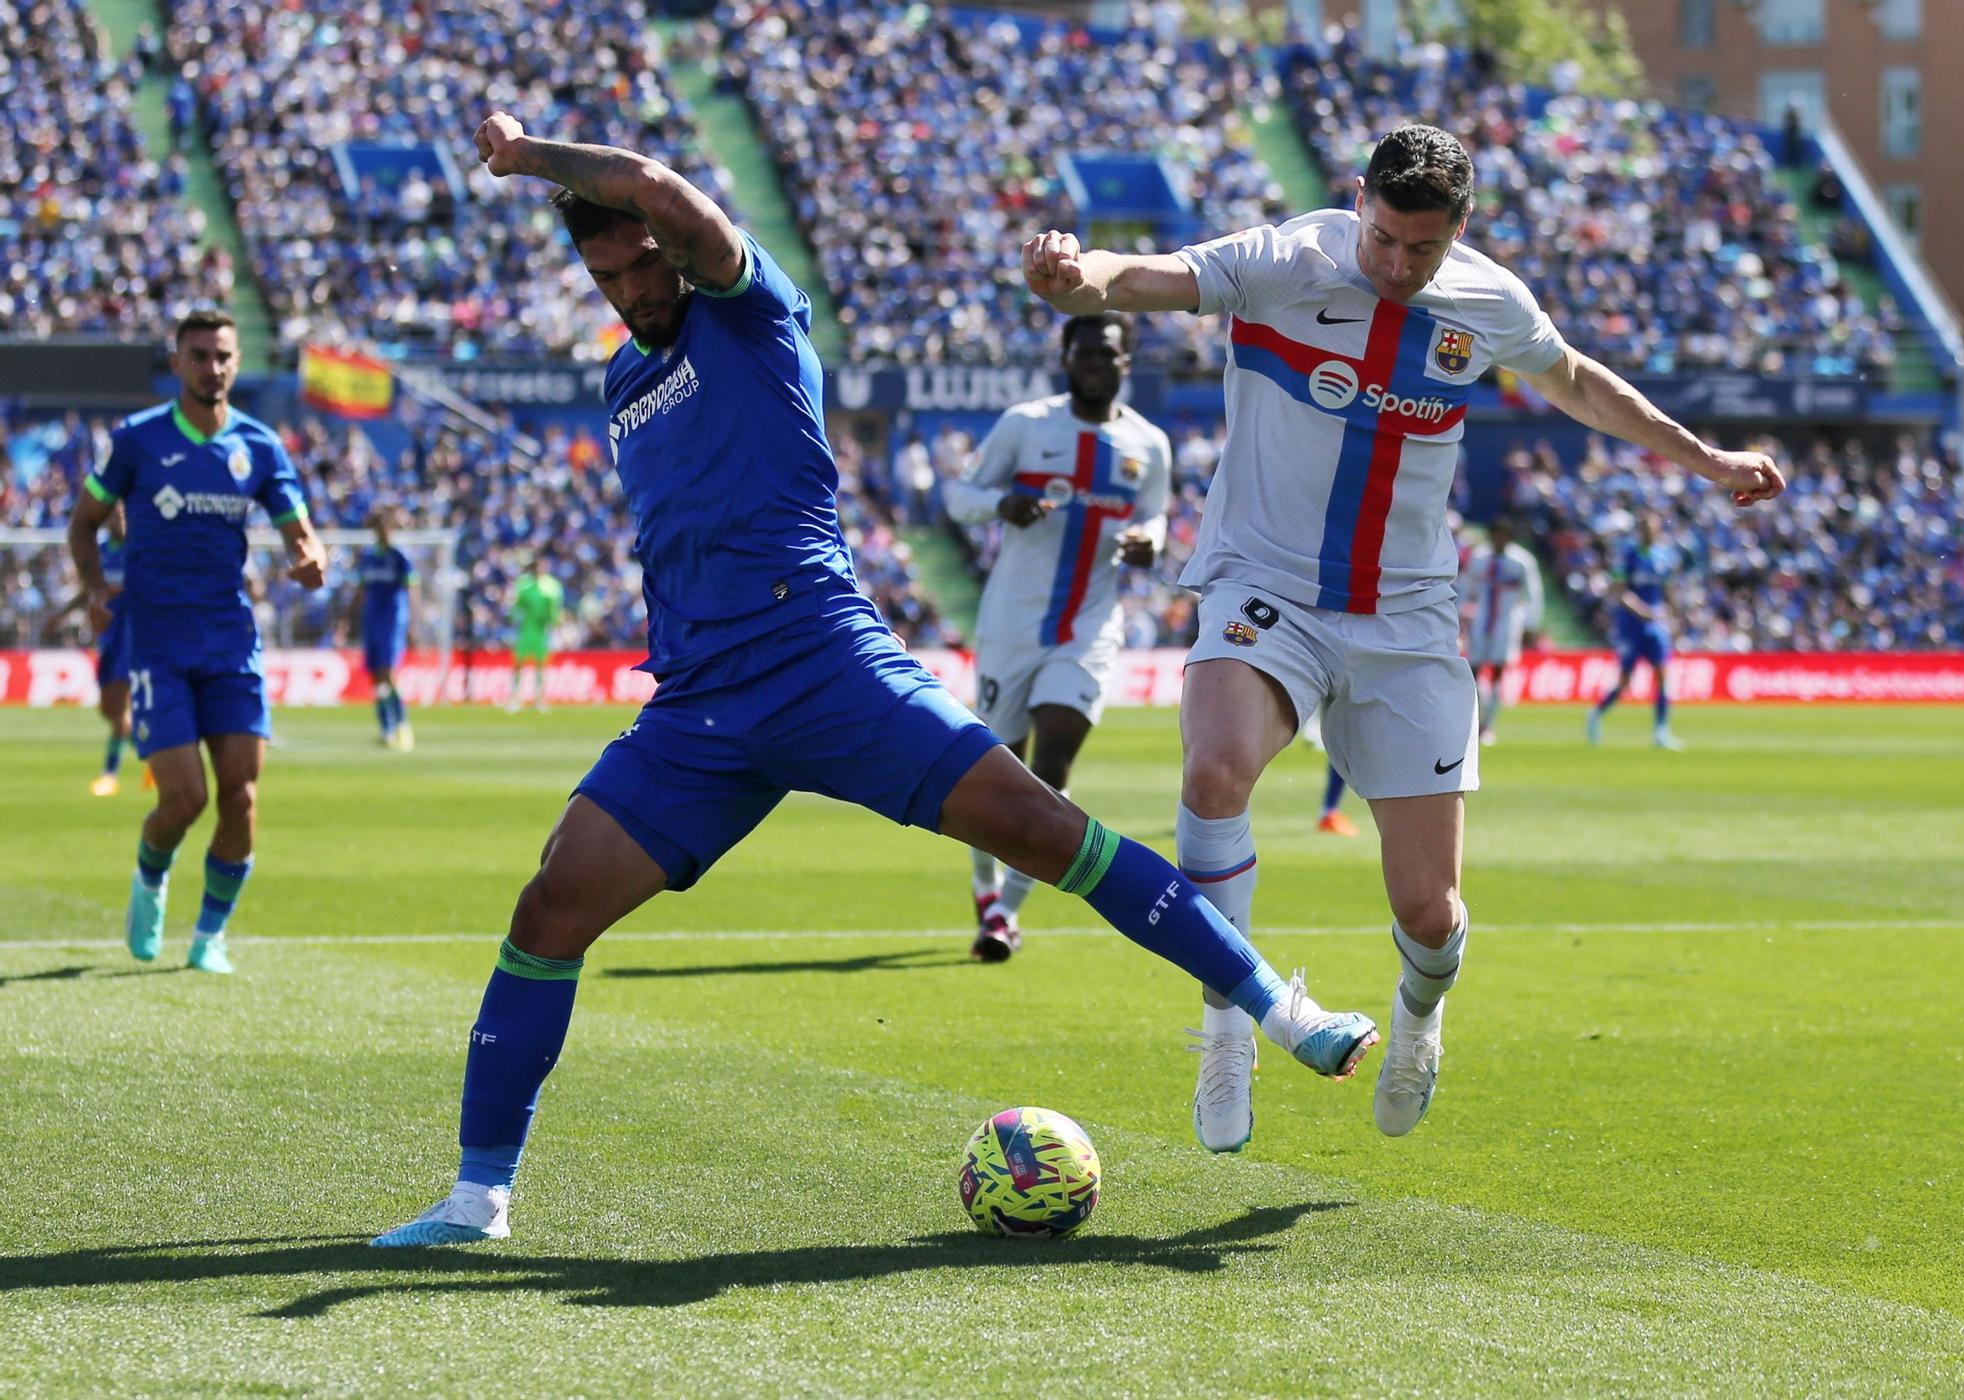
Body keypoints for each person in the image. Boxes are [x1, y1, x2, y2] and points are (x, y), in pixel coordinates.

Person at [372, 112, 1379, 1248]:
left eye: (640, 263)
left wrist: (532, 158)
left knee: (1044, 830)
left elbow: (659, 186)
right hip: (699, 705)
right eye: (604, 274)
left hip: (823, 658)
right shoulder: (620, 379)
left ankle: (1279, 1011)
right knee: (548, 908)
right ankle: (477, 1197)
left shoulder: (746, 309)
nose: (628, 290)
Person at [1022, 122, 1784, 1153]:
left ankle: (1419, 1020)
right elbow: (1139, 277)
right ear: (1356, 203)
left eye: (1419, 249)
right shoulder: (1283, 261)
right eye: (1381, 238)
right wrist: (1076, 273)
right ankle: (1226, 1026)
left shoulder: (1487, 302)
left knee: (1429, 911)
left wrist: (1704, 459)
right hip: (1265, 585)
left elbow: (1571, 378)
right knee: (1213, 772)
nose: (1394, 264)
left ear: (1458, 231)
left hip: (1407, 617)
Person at [65, 309, 329, 974]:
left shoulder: (260, 446)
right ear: (177, 361)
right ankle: (150, 880)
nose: (213, 367)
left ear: (236, 362)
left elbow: (299, 530)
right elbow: (84, 523)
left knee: (241, 795)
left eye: (223, 356)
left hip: (231, 642)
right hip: (157, 644)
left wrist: (311, 558)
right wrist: (96, 589)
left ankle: (211, 935)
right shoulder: (136, 440)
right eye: (200, 355)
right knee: (184, 798)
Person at [942, 313, 1171, 960]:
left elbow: (1154, 512)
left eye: (1110, 354)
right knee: (996, 779)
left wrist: (1149, 542)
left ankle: (1006, 916)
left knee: (1051, 769)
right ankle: (985, 887)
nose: (1098, 363)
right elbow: (959, 496)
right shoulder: (1027, 425)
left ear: (1127, 363)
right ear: (1066, 358)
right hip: (1012, 624)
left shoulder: (1148, 444)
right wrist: (1000, 505)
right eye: (1087, 353)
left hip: (1089, 626)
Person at [49, 504, 138, 796]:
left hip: (136, 636)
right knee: (110, 709)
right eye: (113, 515)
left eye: (122, 515)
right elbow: (87, 589)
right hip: (109, 638)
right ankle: (152, 754)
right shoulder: (100, 550)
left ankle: (109, 774)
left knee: (120, 705)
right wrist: (61, 615)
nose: (117, 520)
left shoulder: (141, 548)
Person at [1588, 510, 1681, 749]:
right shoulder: (1628, 555)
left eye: (1654, 527)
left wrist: (1673, 615)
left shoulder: (1664, 556)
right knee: (1625, 682)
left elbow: (1668, 590)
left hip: (1656, 626)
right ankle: (1596, 714)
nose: (1650, 532)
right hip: (1631, 625)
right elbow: (1620, 590)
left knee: (1662, 676)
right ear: (1640, 530)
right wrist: (1641, 610)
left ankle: (1661, 731)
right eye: (1646, 528)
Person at [1460, 516, 1544, 745]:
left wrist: (1530, 624)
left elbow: (1533, 594)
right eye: (1495, 534)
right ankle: (1474, 722)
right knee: (1474, 671)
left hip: (1506, 623)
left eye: (1503, 535)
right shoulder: (1480, 558)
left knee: (1497, 671)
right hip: (1481, 620)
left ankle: (1488, 724)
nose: (1499, 539)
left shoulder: (1521, 562)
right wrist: (1461, 614)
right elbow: (1467, 588)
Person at [352, 506, 415, 750]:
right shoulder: (368, 557)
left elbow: (412, 590)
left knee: (389, 674)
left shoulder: (400, 556)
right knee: (377, 678)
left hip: (393, 621)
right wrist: (347, 619)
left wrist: (412, 623)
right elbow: (360, 590)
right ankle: (386, 729)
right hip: (372, 621)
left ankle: (402, 725)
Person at [507, 553, 563, 713]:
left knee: (541, 665)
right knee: (518, 663)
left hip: (542, 630)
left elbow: (555, 610)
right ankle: (514, 698)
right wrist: (513, 619)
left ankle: (539, 698)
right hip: (525, 629)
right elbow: (517, 607)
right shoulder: (524, 585)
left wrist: (555, 626)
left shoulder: (552, 585)